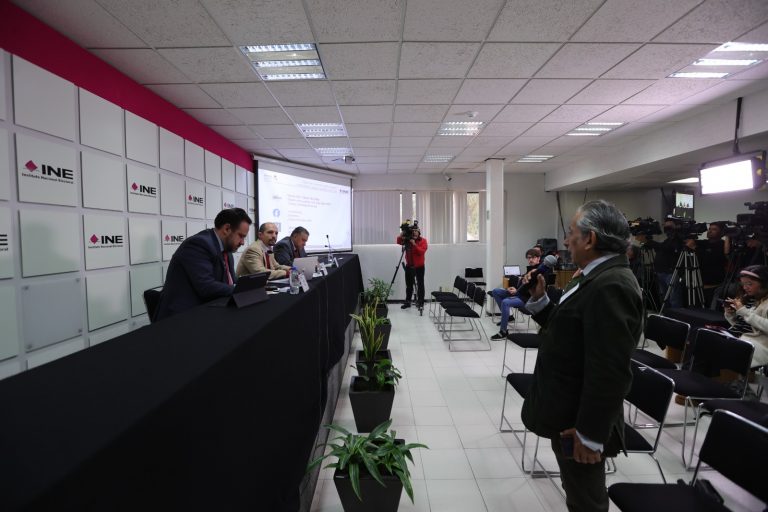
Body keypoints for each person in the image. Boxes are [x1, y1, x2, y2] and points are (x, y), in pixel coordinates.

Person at [521, 200, 643, 512]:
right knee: (576, 490)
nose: (565, 240)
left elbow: (610, 371)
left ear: (590, 239)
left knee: (586, 500)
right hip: (567, 411)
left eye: (571, 232)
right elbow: (569, 333)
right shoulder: (593, 276)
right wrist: (540, 300)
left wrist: (590, 434)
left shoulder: (611, 285)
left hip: (580, 422)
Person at [154, 208, 252, 321]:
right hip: (181, 318)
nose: (243, 242)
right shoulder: (199, 244)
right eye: (241, 236)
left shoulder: (226, 250)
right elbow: (206, 287)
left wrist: (249, 285)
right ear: (227, 229)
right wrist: (240, 289)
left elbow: (231, 281)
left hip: (208, 311)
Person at [489, 248, 541, 340]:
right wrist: (515, 289)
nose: (530, 260)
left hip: (527, 299)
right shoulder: (529, 269)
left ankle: (503, 332)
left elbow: (531, 288)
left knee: (505, 302)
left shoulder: (539, 272)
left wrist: (517, 291)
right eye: (528, 258)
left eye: (533, 258)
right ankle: (509, 317)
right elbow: (523, 285)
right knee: (496, 291)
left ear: (538, 258)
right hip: (519, 294)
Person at [724, 265, 768, 370]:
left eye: (749, 284)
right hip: (743, 338)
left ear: (764, 284)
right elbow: (744, 327)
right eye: (743, 284)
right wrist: (731, 314)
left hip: (759, 345)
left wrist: (744, 312)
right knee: (706, 336)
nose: (745, 287)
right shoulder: (751, 299)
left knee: (721, 348)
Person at [686, 222, 729, 307]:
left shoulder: (722, 244)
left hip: (715, 285)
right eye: (709, 229)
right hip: (698, 285)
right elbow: (688, 242)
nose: (710, 231)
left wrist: (727, 235)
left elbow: (724, 254)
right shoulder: (703, 243)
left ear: (721, 233)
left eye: (714, 229)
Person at [396, 227, 428, 309]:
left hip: (419, 267)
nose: (414, 233)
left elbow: (422, 251)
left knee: (420, 285)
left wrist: (414, 244)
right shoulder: (407, 240)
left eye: (416, 231)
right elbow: (399, 241)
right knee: (409, 285)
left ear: (419, 232)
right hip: (409, 266)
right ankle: (408, 302)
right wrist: (402, 233)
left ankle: (421, 302)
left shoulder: (423, 241)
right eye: (413, 231)